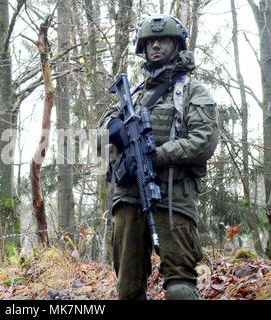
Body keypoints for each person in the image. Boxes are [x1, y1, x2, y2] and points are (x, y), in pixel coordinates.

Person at [99, 14, 219, 300]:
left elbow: (204, 141)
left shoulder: (192, 91)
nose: (156, 46)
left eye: (163, 40)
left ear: (176, 45)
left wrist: (157, 156)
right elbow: (104, 127)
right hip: (128, 197)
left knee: (179, 287)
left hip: (172, 197)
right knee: (127, 289)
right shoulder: (135, 95)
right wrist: (114, 129)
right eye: (151, 41)